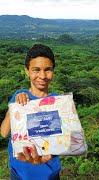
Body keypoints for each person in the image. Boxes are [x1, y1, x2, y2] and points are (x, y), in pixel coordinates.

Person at [0, 44, 61, 180]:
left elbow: (67, 141)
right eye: (36, 70)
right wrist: (14, 108)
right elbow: (4, 132)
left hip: (50, 174)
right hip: (20, 174)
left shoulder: (58, 101)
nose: (42, 76)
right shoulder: (19, 97)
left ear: (53, 71)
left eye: (48, 70)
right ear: (27, 71)